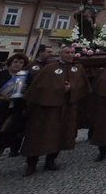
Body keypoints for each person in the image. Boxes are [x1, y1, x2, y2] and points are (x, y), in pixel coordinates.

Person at [21, 45, 91, 176]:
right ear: (60, 54)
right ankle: (31, 163)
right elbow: (39, 87)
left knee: (60, 134)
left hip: (67, 107)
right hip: (47, 109)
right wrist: (58, 89)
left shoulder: (78, 68)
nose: (70, 55)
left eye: (72, 53)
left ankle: (51, 160)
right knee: (39, 134)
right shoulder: (50, 68)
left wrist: (72, 88)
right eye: (67, 52)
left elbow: (83, 87)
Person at [0, 53, 29, 175]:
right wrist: (0, 98)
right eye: (16, 62)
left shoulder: (25, 77)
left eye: (21, 63)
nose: (18, 64)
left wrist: (25, 91)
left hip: (12, 112)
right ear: (9, 63)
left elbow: (29, 95)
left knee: (3, 139)